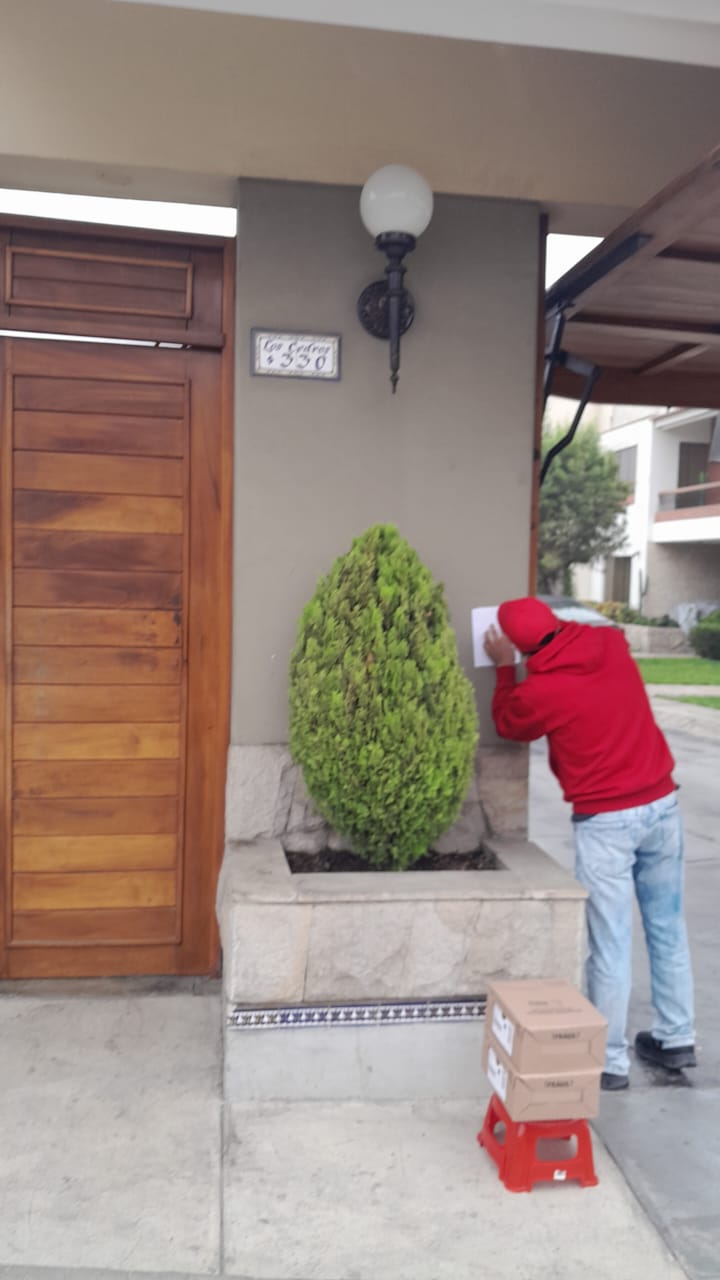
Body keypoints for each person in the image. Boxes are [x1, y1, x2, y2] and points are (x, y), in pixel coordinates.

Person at [484, 596, 695, 1091]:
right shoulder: (610, 644)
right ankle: (676, 1036)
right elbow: (574, 644)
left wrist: (504, 669)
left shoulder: (543, 691)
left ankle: (609, 1062)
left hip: (607, 823)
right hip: (662, 805)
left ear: (518, 644)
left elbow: (509, 724)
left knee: (610, 941)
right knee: (667, 926)